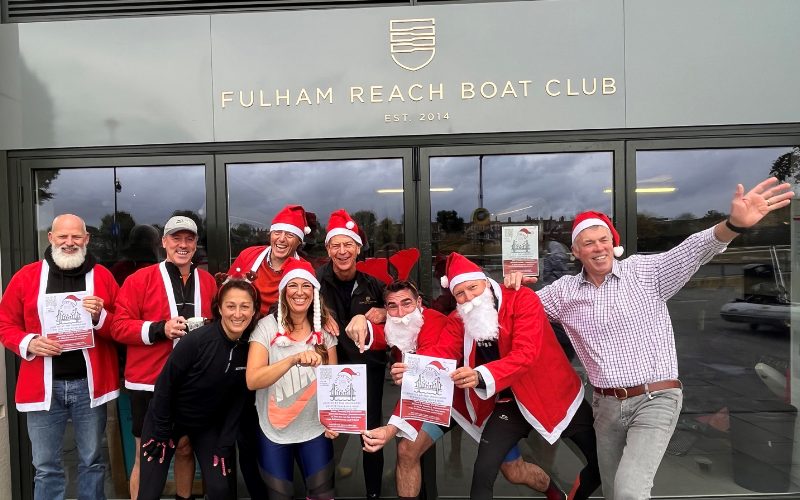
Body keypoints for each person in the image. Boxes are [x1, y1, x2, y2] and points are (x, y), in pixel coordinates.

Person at [506, 177, 794, 499]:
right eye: (588, 243)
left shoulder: (645, 272)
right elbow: (516, 313)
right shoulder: (564, 293)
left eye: (603, 240)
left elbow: (693, 251)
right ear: (576, 251)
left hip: (656, 399)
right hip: (605, 406)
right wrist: (511, 287)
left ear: (613, 243)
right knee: (614, 490)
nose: (597, 248)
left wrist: (732, 226)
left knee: (630, 491)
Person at [393, 253, 601, 500]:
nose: (468, 298)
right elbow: (444, 351)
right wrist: (414, 368)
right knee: (484, 474)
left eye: (472, 288)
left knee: (600, 462)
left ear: (485, 282)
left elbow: (526, 353)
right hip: (507, 401)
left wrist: (480, 376)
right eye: (460, 294)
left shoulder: (523, 298)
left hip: (555, 393)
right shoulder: (459, 319)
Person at [348, 274, 567, 500]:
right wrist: (360, 320)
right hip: (438, 404)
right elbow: (382, 335)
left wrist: (391, 428)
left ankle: (554, 492)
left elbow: (423, 385)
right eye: (392, 306)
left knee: (514, 471)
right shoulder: (396, 320)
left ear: (419, 303)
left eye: (406, 303)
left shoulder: (433, 324)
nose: (400, 312)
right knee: (406, 451)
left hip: (470, 400)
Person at [0, 214, 119, 500]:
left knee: (92, 460)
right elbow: (5, 324)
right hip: (43, 387)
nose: (69, 243)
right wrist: (29, 342)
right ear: (51, 238)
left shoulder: (102, 277)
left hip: (87, 386)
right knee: (45, 466)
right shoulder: (26, 277)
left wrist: (100, 315)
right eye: (63, 237)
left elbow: (120, 325)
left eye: (76, 237)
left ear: (87, 239)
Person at [112, 215, 217, 500]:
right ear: (164, 242)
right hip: (148, 383)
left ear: (196, 244)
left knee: (184, 448)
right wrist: (160, 329)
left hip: (192, 384)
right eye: (176, 238)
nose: (183, 245)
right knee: (145, 455)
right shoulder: (139, 279)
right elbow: (118, 326)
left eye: (189, 239)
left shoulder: (208, 281)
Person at [137, 274, 260, 500]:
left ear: (254, 311)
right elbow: (165, 387)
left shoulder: (250, 348)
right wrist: (162, 432)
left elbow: (239, 400)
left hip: (206, 424)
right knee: (150, 492)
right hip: (166, 421)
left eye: (245, 307)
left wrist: (225, 443)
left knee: (220, 488)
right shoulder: (197, 341)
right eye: (230, 306)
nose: (238, 313)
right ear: (219, 309)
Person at [229, 204, 318, 498]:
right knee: (247, 431)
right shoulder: (248, 257)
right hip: (245, 348)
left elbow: (310, 303)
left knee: (282, 421)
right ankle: (258, 492)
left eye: (289, 235)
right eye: (277, 232)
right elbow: (230, 296)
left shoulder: (302, 270)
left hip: (281, 352)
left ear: (298, 241)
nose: (281, 239)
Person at [246, 258, 338, 499]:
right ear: (283, 290)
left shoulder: (325, 332)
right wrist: (292, 359)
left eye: (306, 286)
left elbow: (333, 385)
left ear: (314, 291)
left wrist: (335, 420)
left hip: (315, 431)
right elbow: (252, 380)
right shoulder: (266, 327)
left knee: (323, 495)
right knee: (279, 496)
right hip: (274, 432)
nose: (299, 292)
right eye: (293, 285)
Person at [316, 209, 387, 499]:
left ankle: (373, 493)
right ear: (327, 249)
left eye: (348, 244)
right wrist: (318, 315)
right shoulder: (314, 281)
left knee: (370, 436)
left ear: (358, 248)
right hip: (328, 371)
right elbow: (286, 307)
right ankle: (322, 491)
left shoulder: (374, 285)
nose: (342, 251)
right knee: (327, 436)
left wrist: (384, 311)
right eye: (336, 245)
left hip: (368, 371)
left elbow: (412, 308)